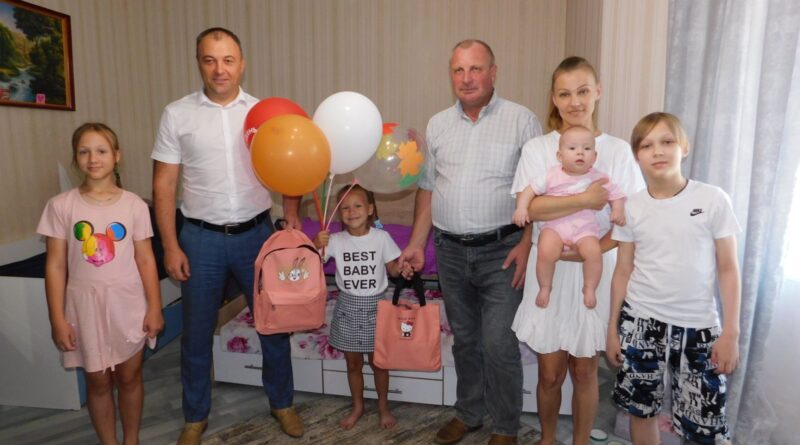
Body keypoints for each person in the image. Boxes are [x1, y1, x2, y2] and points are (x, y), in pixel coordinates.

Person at [151, 27, 303, 444]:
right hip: (200, 240)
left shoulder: (264, 113)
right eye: (210, 60)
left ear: (242, 64)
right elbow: (164, 185)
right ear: (199, 63)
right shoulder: (177, 114)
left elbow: (292, 162)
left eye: (228, 60)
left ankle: (283, 404)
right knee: (197, 334)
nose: (220, 69)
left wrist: (291, 212)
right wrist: (170, 245)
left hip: (257, 236)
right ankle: (195, 417)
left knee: (273, 327)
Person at [399, 39, 541, 445]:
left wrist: (527, 244)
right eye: (458, 70)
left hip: (502, 251)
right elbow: (429, 189)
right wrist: (417, 244)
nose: (466, 78)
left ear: (493, 72)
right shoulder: (438, 124)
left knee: (498, 343)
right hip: (450, 252)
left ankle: (506, 426)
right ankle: (469, 413)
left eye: (475, 69)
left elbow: (539, 191)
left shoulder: (522, 120)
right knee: (465, 340)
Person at [510, 56, 644, 445]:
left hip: (594, 268)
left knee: (585, 371)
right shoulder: (539, 149)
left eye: (583, 91)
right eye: (565, 94)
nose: (574, 102)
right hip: (548, 270)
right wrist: (585, 200)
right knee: (550, 373)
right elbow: (531, 209)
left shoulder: (617, 151)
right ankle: (548, 439)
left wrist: (593, 249)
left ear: (597, 92)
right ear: (554, 98)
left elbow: (630, 221)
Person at [606, 112, 741, 445]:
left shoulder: (712, 199)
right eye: (647, 145)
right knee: (641, 411)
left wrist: (731, 332)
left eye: (667, 141)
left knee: (704, 426)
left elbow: (728, 268)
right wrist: (611, 329)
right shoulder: (631, 207)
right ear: (637, 155)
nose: (658, 151)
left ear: (684, 147)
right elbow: (622, 270)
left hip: (698, 326)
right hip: (640, 322)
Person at [39, 123, 164, 445]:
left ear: (116, 156)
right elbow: (55, 265)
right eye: (84, 151)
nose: (93, 158)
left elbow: (146, 259)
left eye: (101, 151)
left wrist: (155, 307)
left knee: (129, 377)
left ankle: (131, 439)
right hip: (83, 308)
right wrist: (57, 319)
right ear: (75, 157)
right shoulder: (61, 206)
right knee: (97, 382)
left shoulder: (134, 205)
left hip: (127, 304)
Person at [313, 184, 412, 431]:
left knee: (379, 364)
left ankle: (383, 406)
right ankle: (357, 406)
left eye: (357, 206)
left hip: (376, 309)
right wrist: (316, 244)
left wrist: (401, 269)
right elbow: (312, 264)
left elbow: (392, 269)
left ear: (370, 209)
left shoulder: (381, 238)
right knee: (353, 365)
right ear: (339, 213)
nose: (351, 211)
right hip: (347, 308)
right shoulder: (335, 241)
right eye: (345, 208)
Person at [512, 125, 626, 309]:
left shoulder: (599, 178)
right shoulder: (552, 175)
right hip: (554, 227)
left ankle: (589, 287)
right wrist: (521, 208)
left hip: (585, 229)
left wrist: (617, 211)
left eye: (587, 148)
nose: (580, 152)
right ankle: (545, 287)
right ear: (560, 156)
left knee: (593, 252)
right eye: (572, 148)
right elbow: (530, 190)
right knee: (545, 251)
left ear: (594, 156)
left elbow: (617, 195)